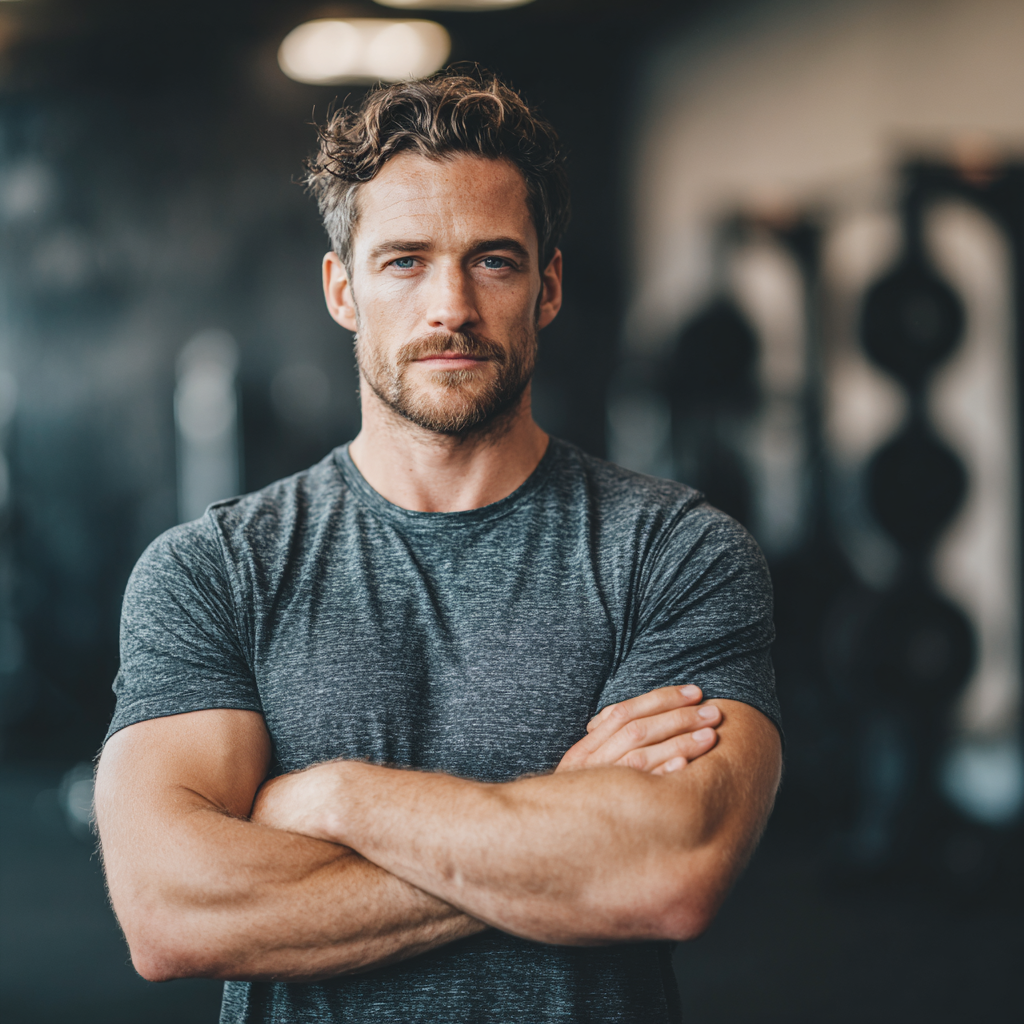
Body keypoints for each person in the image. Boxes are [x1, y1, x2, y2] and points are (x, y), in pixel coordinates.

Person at [94, 69, 782, 1024]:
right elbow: (170, 910)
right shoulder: (215, 570)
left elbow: (669, 871)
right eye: (405, 261)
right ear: (343, 289)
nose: (449, 305)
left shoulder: (675, 554)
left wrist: (333, 799)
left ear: (547, 289)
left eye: (493, 261)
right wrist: (558, 825)